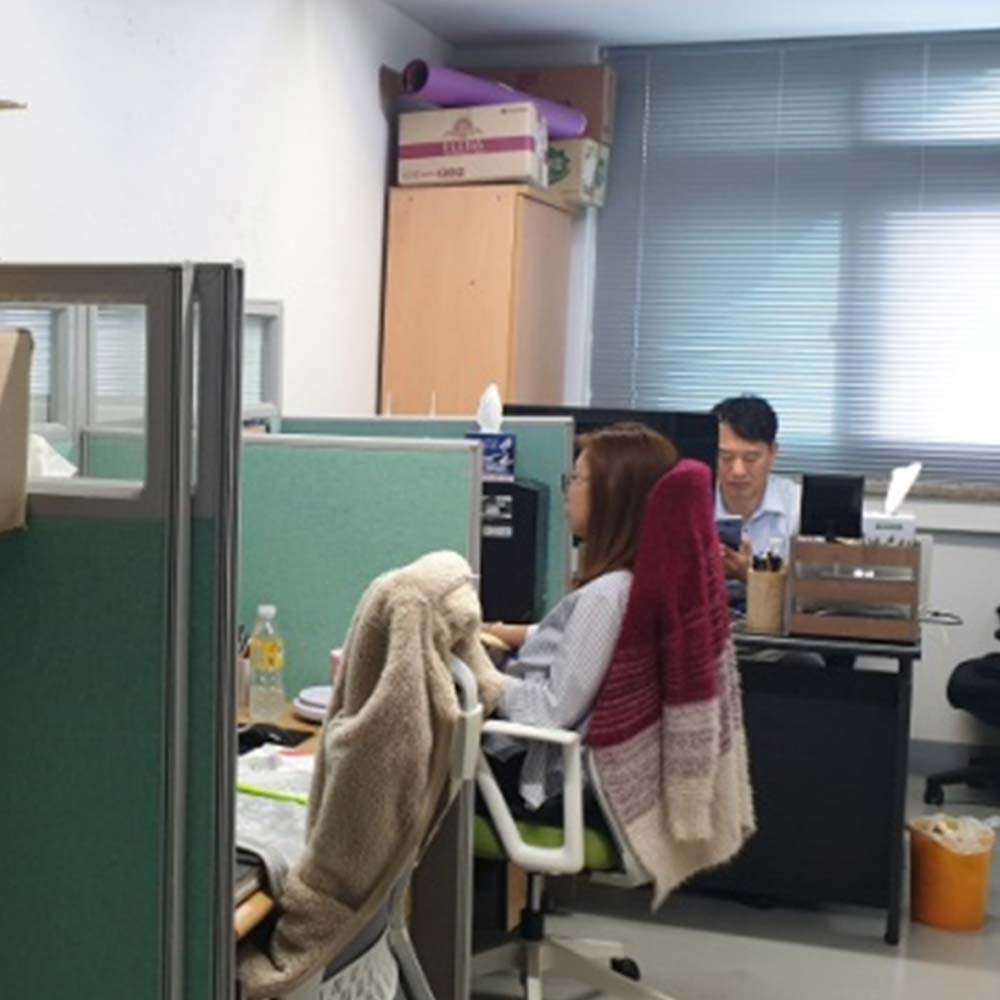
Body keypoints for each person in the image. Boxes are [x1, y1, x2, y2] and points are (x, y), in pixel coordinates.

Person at [480, 422, 678, 817]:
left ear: (611, 497)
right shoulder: (631, 584)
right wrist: (501, 632)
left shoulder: (605, 597)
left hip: (549, 785)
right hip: (581, 780)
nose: (568, 489)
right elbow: (579, 641)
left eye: (576, 478)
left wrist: (482, 675)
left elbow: (550, 712)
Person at [712, 394, 800, 583]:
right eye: (726, 457)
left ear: (773, 453)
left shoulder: (797, 506)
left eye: (751, 458)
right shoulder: (690, 505)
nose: (738, 471)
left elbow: (809, 590)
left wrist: (753, 576)